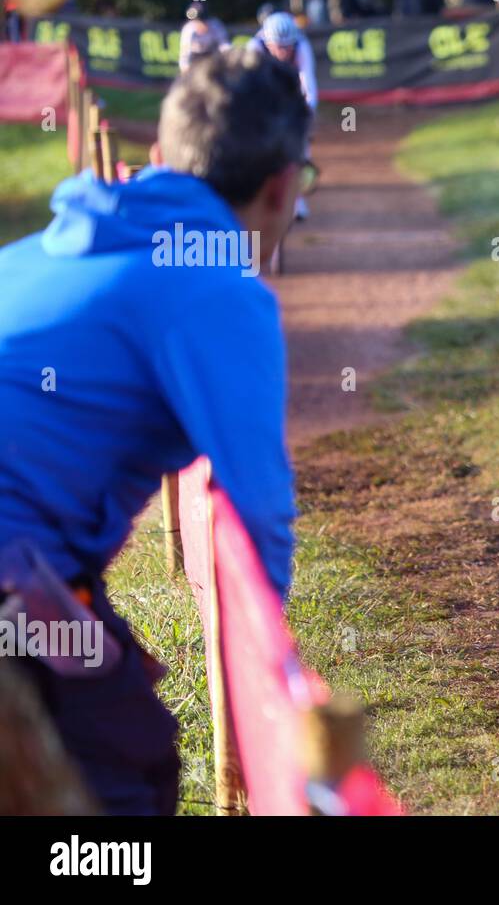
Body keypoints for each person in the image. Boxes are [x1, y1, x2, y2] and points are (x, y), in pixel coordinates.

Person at [0, 47, 311, 813]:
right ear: (282, 187)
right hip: (17, 569)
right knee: (127, 776)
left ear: (158, 157)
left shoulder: (47, 247)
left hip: (33, 570)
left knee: (124, 726)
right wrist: (267, 708)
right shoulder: (216, 290)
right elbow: (262, 513)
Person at [249, 12, 317, 220]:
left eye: (287, 47)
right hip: (264, 97)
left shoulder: (302, 47)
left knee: (300, 151)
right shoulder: (254, 48)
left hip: (291, 95)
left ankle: (298, 200)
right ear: (268, 42)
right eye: (278, 46)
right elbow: (249, 90)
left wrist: (304, 119)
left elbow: (309, 87)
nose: (283, 52)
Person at [178, 0, 229, 72]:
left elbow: (224, 45)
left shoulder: (215, 25)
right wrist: (185, 68)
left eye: (200, 20)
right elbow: (184, 53)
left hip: (211, 57)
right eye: (195, 20)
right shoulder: (188, 29)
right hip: (194, 58)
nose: (198, 23)